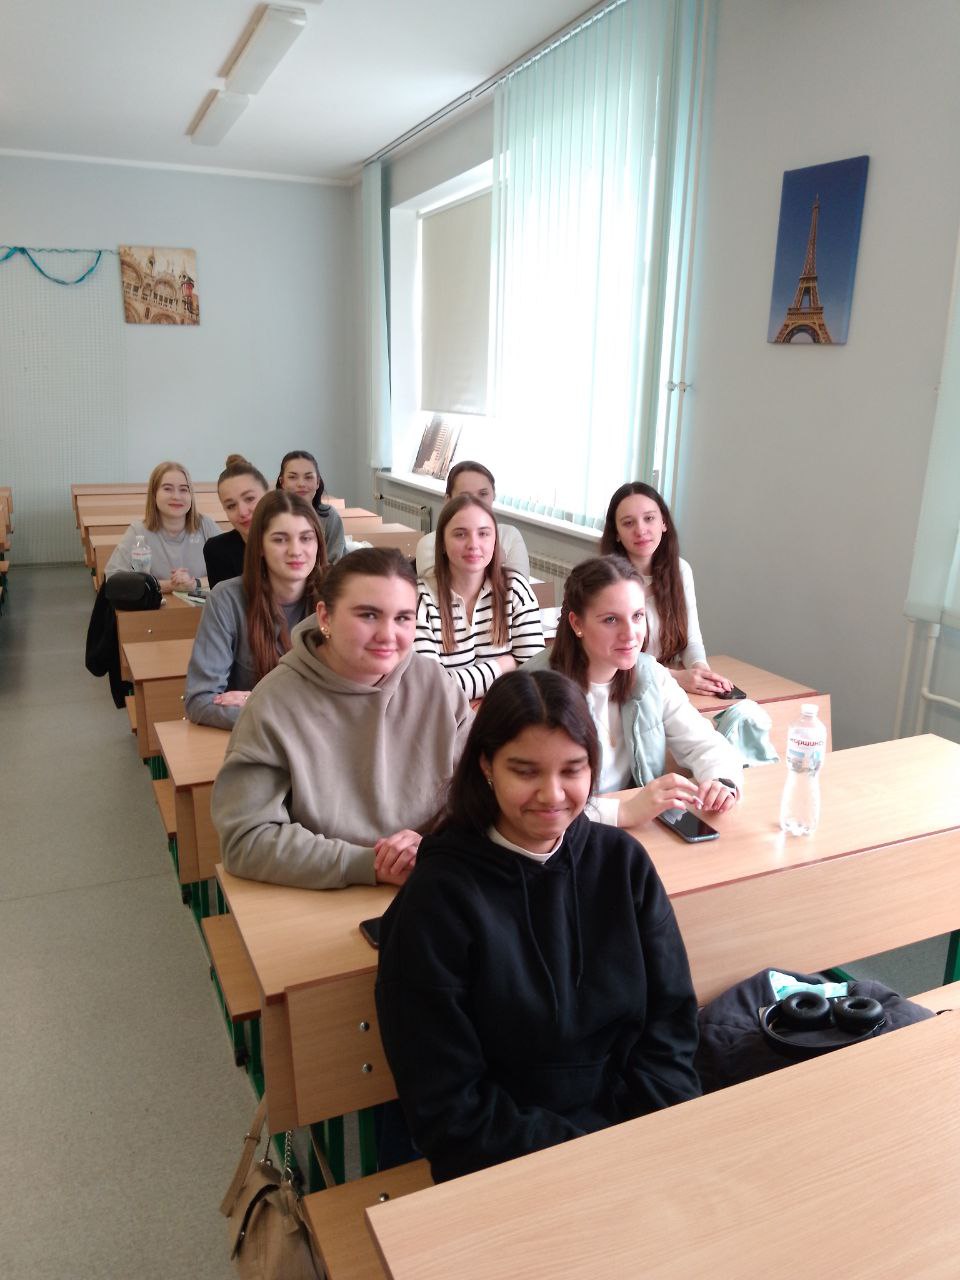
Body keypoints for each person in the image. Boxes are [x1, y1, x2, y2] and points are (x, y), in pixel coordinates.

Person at [376, 667, 701, 1184]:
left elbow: (671, 1025)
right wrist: (590, 1162)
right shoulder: (437, 901)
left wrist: (656, 1136)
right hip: (512, 1163)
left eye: (573, 770)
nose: (552, 795)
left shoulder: (622, 864)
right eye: (525, 771)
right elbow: (449, 1106)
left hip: (639, 1140)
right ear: (486, 765)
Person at [211, 547, 472, 890]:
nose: (387, 635)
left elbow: (482, 792)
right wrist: (368, 864)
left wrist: (434, 845)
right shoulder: (273, 704)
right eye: (368, 615)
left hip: (430, 876)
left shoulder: (436, 683)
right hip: (325, 892)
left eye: (403, 618)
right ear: (325, 616)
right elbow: (245, 839)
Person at [528, 555, 742, 828]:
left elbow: (704, 744)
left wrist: (721, 781)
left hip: (634, 828)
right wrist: (623, 812)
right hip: (561, 837)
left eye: (637, 616)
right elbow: (530, 800)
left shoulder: (650, 675)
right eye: (610, 620)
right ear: (577, 624)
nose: (630, 634)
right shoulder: (535, 688)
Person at [185, 491, 326, 730]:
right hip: (258, 741)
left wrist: (261, 702)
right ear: (260, 546)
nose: (295, 550)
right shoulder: (226, 599)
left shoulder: (336, 598)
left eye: (306, 538)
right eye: (280, 540)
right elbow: (200, 701)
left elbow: (351, 694)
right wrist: (294, 714)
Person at [600, 482, 730, 695]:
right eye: (628, 523)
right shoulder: (605, 579)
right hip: (622, 689)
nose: (641, 530)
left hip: (667, 688)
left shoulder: (680, 570)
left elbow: (691, 641)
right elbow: (611, 657)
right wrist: (676, 677)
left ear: (664, 522)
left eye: (649, 518)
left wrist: (701, 671)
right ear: (616, 533)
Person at [414, 494, 544, 700]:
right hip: (447, 718)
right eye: (460, 534)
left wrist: (457, 684)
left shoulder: (515, 589)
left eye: (483, 534)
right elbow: (431, 690)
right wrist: (504, 665)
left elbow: (536, 675)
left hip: (506, 714)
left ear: (495, 541)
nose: (473, 544)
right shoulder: (419, 599)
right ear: (443, 544)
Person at [105, 460, 221, 593]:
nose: (176, 496)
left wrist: (195, 583)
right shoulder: (138, 531)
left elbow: (232, 571)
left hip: (202, 605)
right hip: (156, 605)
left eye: (184, 489)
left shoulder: (206, 525)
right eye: (167, 489)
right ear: (154, 494)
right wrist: (170, 585)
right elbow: (113, 578)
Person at [415, 461, 531, 578]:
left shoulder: (509, 536)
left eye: (483, 494)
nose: (476, 502)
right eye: (465, 496)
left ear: (494, 496)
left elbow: (519, 584)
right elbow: (436, 587)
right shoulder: (429, 544)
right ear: (448, 500)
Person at [203, 454, 270, 588]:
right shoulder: (217, 550)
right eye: (231, 506)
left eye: (249, 499)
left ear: (268, 496)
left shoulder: (294, 540)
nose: (242, 512)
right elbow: (223, 599)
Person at [276, 449, 346, 562]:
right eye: (292, 477)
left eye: (308, 477)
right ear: (282, 482)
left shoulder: (329, 517)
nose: (301, 484)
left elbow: (335, 563)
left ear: (317, 482)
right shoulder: (271, 516)